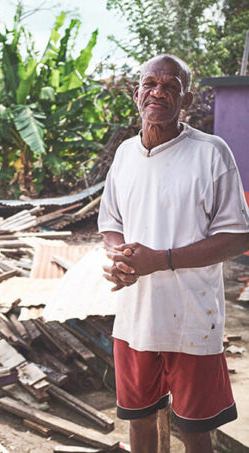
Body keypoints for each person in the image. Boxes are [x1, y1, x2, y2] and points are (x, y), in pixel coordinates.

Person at [98, 54, 249, 453]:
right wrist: (120, 259)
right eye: (150, 83)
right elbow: (110, 224)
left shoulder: (211, 152)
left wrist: (160, 260)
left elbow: (237, 237)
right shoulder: (126, 155)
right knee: (139, 420)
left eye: (171, 86)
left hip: (193, 320)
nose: (158, 92)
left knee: (197, 430)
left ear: (187, 99)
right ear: (137, 93)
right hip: (135, 319)